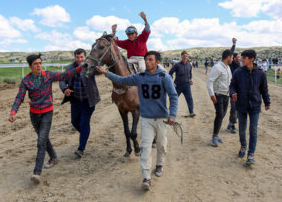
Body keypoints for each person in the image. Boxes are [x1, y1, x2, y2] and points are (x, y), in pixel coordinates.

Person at [96, 51, 178, 191]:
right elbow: (122, 80)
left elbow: (173, 96)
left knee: (161, 146)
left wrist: (172, 115)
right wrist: (106, 72)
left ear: (157, 62)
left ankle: (159, 164)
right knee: (145, 148)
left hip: (161, 119)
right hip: (146, 119)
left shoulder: (164, 77)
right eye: (146, 60)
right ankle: (146, 177)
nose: (147, 62)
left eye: (150, 60)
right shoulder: (139, 77)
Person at [9, 54, 82, 183]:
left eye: (40, 63)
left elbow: (65, 76)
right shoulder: (26, 80)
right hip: (34, 114)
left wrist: (80, 68)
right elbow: (19, 97)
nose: (39, 66)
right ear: (30, 66)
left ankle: (37, 172)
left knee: (41, 141)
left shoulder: (48, 75)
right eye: (35, 64)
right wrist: (14, 111)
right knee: (43, 138)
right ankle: (53, 157)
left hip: (47, 112)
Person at [230, 50, 270, 164]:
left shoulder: (261, 73)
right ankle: (243, 145)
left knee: (253, 130)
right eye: (241, 58)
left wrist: (267, 102)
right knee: (242, 130)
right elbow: (232, 86)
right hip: (241, 105)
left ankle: (251, 154)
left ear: (251, 59)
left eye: (244, 58)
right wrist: (232, 93)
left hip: (255, 105)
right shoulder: (238, 72)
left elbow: (264, 90)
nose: (242, 60)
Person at [59, 48, 100, 158]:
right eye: (77, 57)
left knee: (84, 123)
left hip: (89, 101)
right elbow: (62, 80)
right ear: (74, 57)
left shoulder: (90, 65)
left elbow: (99, 69)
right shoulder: (70, 67)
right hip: (75, 100)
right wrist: (65, 89)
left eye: (81, 57)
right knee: (74, 122)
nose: (79, 59)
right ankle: (85, 134)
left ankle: (81, 148)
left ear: (85, 57)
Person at [206, 49, 233, 147]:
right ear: (228, 57)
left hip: (226, 95)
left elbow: (229, 81)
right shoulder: (217, 67)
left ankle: (216, 135)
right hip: (218, 95)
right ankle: (214, 136)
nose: (232, 59)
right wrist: (212, 95)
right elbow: (209, 82)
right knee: (220, 114)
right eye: (232, 57)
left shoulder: (227, 67)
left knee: (223, 115)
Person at [169, 51, 196, 117]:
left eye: (186, 56)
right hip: (178, 85)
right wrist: (172, 82)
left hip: (187, 85)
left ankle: (191, 112)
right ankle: (170, 112)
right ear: (181, 57)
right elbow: (170, 73)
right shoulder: (177, 65)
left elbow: (190, 73)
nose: (185, 57)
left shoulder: (189, 65)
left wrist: (190, 79)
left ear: (187, 57)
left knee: (189, 99)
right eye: (184, 56)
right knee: (174, 98)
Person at [227, 51, 240, 133]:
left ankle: (230, 123)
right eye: (238, 57)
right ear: (234, 58)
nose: (240, 58)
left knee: (239, 108)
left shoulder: (240, 65)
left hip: (240, 90)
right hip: (233, 89)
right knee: (234, 108)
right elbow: (230, 52)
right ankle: (232, 125)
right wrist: (234, 44)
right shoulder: (231, 65)